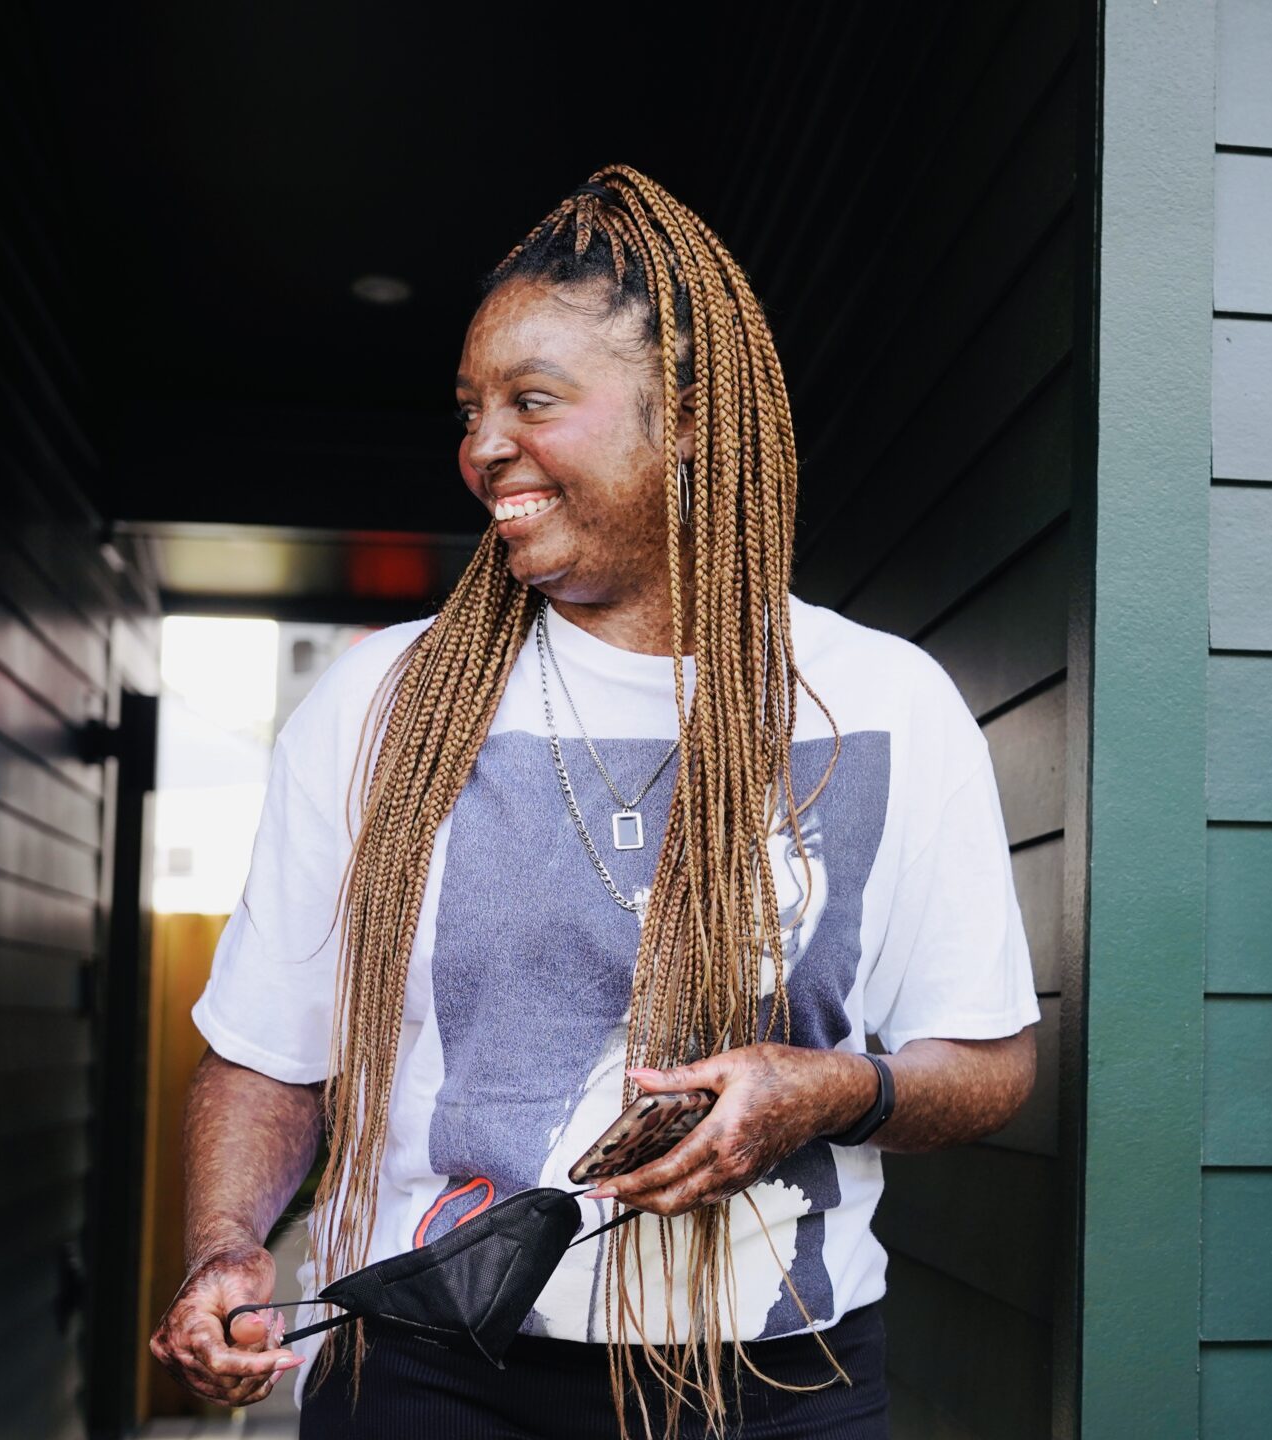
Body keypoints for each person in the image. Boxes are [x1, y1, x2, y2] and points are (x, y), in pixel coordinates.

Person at [146, 167, 1040, 1439]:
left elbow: (989, 1063)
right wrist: (224, 1245)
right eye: (469, 411)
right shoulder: (380, 702)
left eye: (532, 401)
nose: (481, 448)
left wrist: (826, 1091)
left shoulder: (882, 700)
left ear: (683, 417)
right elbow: (267, 1052)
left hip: (778, 1383)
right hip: (423, 1371)